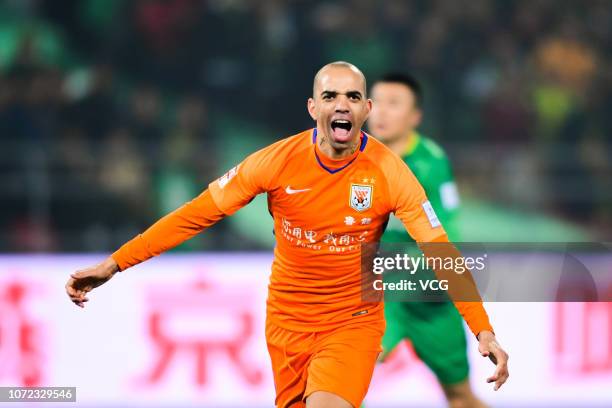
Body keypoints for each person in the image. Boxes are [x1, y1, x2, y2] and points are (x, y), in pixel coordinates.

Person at [65, 62, 509, 408]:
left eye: (353, 96)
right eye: (330, 96)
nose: (342, 104)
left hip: (352, 321)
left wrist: (482, 328)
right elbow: (195, 214)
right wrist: (115, 263)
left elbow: (439, 249)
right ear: (313, 108)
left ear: (365, 111)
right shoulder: (275, 162)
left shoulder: (392, 173)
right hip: (287, 324)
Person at [369, 73, 487, 407]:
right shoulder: (351, 157)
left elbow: (446, 238)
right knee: (345, 382)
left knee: (460, 396)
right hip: (378, 293)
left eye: (394, 104)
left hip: (429, 298)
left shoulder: (431, 163)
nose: (381, 113)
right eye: (376, 103)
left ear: (414, 117)